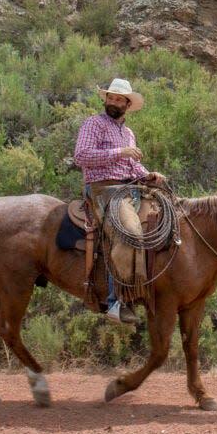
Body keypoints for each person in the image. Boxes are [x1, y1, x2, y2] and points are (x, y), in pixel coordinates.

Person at [74, 78, 166, 324]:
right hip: (103, 190)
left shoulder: (128, 133)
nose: (114, 102)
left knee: (163, 221)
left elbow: (132, 165)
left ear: (127, 104)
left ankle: (148, 288)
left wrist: (148, 175)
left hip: (130, 189)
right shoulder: (93, 124)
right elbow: (81, 156)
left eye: (119, 99)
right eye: (111, 98)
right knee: (129, 230)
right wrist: (119, 152)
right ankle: (117, 302)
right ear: (105, 99)